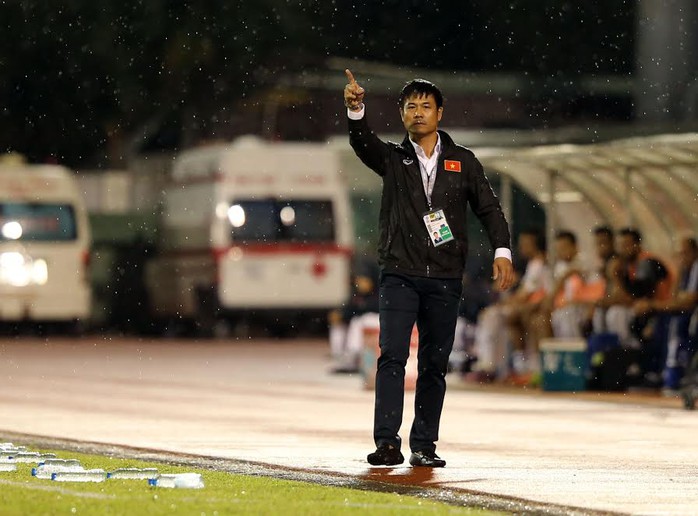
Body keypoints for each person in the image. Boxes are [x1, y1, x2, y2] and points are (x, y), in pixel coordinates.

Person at [344, 70, 514, 468]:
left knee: (435, 364)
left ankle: (424, 445)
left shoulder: (463, 162)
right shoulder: (393, 158)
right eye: (410, 107)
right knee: (392, 356)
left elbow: (489, 209)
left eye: (425, 106)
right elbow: (362, 142)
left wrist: (502, 250)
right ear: (402, 115)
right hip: (400, 273)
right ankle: (387, 442)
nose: (418, 113)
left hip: (444, 277)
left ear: (440, 113)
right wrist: (356, 110)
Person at [469, 229, 548, 381]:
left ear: (536, 245)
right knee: (495, 316)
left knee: (493, 315)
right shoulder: (531, 263)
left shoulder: (538, 263)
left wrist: (504, 303)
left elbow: (525, 295)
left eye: (526, 244)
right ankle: (494, 365)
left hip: (535, 307)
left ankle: (491, 366)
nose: (522, 247)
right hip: (527, 306)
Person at [634, 237, 698, 391]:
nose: (682, 258)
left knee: (673, 321)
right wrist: (680, 272)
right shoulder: (685, 270)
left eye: (686, 253)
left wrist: (653, 305)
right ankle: (657, 371)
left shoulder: (696, 267)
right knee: (658, 320)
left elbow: (689, 301)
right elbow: (674, 297)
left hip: (691, 314)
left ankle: (674, 373)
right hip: (682, 312)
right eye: (679, 254)